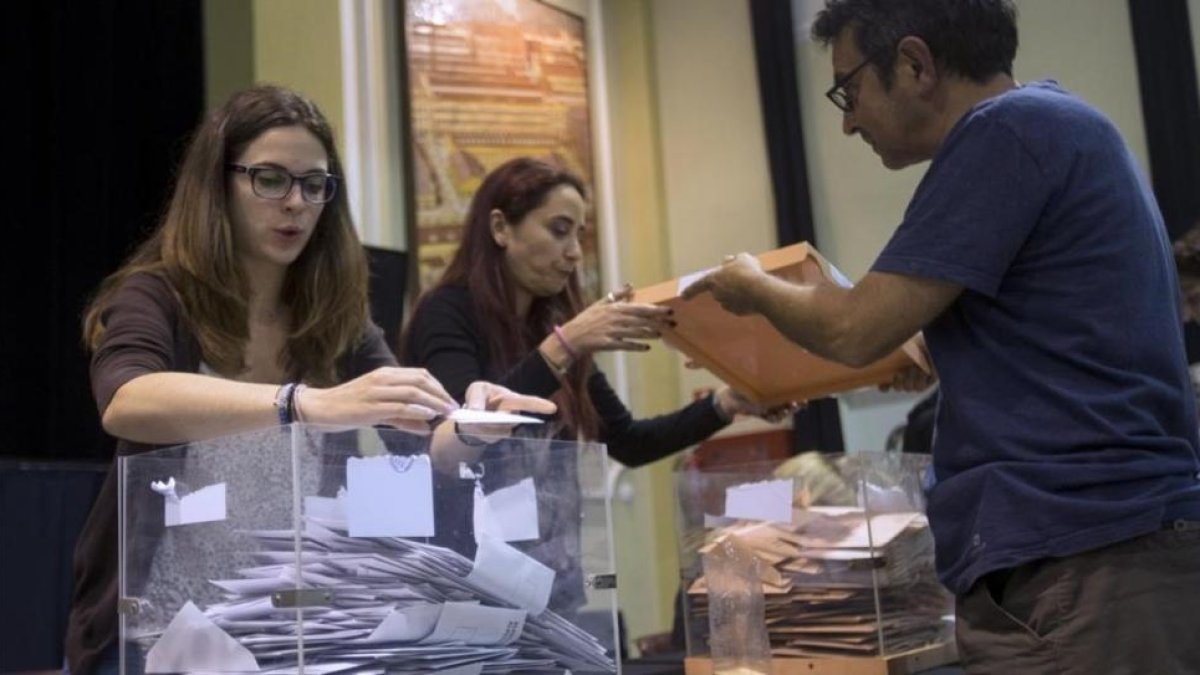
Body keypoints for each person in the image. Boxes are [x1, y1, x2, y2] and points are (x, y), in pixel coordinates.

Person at [683, 1, 1200, 672]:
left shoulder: (1006, 133)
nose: (847, 121)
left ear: (915, 64)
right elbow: (1044, 332)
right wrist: (932, 351)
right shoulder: (1057, 129)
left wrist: (750, 286)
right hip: (1093, 558)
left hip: (1086, 563)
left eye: (850, 88)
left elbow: (853, 326)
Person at [64, 85, 554, 675]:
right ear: (218, 186)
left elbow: (426, 442)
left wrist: (473, 424)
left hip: (284, 633)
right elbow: (126, 399)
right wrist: (304, 403)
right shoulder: (157, 295)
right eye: (269, 179)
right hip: (155, 634)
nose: (295, 203)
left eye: (314, 184)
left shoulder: (336, 317)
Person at [401, 157, 792, 615]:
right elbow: (463, 435)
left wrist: (726, 404)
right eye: (559, 230)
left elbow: (628, 441)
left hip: (552, 586)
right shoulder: (447, 313)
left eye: (578, 236)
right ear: (500, 228)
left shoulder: (548, 326)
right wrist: (565, 345)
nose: (573, 253)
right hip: (465, 587)